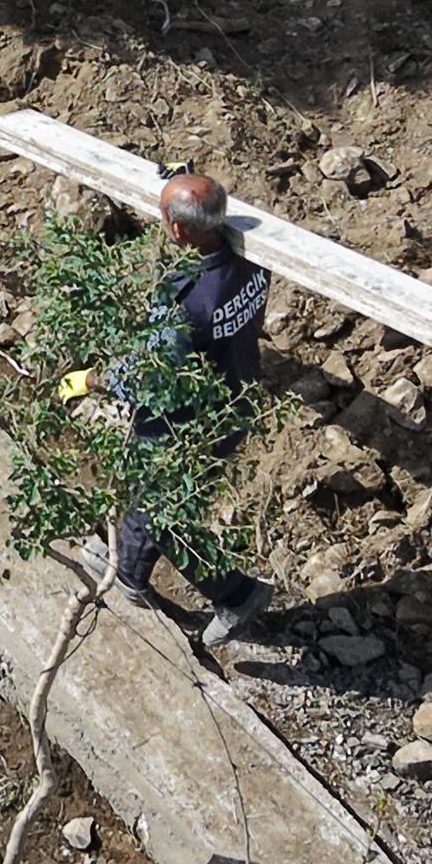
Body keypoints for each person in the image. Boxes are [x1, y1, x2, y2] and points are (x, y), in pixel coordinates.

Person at [103, 168, 278, 646]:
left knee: (166, 512)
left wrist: (97, 380)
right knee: (151, 498)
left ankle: (237, 594)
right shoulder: (254, 261)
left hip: (184, 424)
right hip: (234, 402)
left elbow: (148, 374)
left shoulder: (184, 301)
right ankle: (131, 577)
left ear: (178, 229)